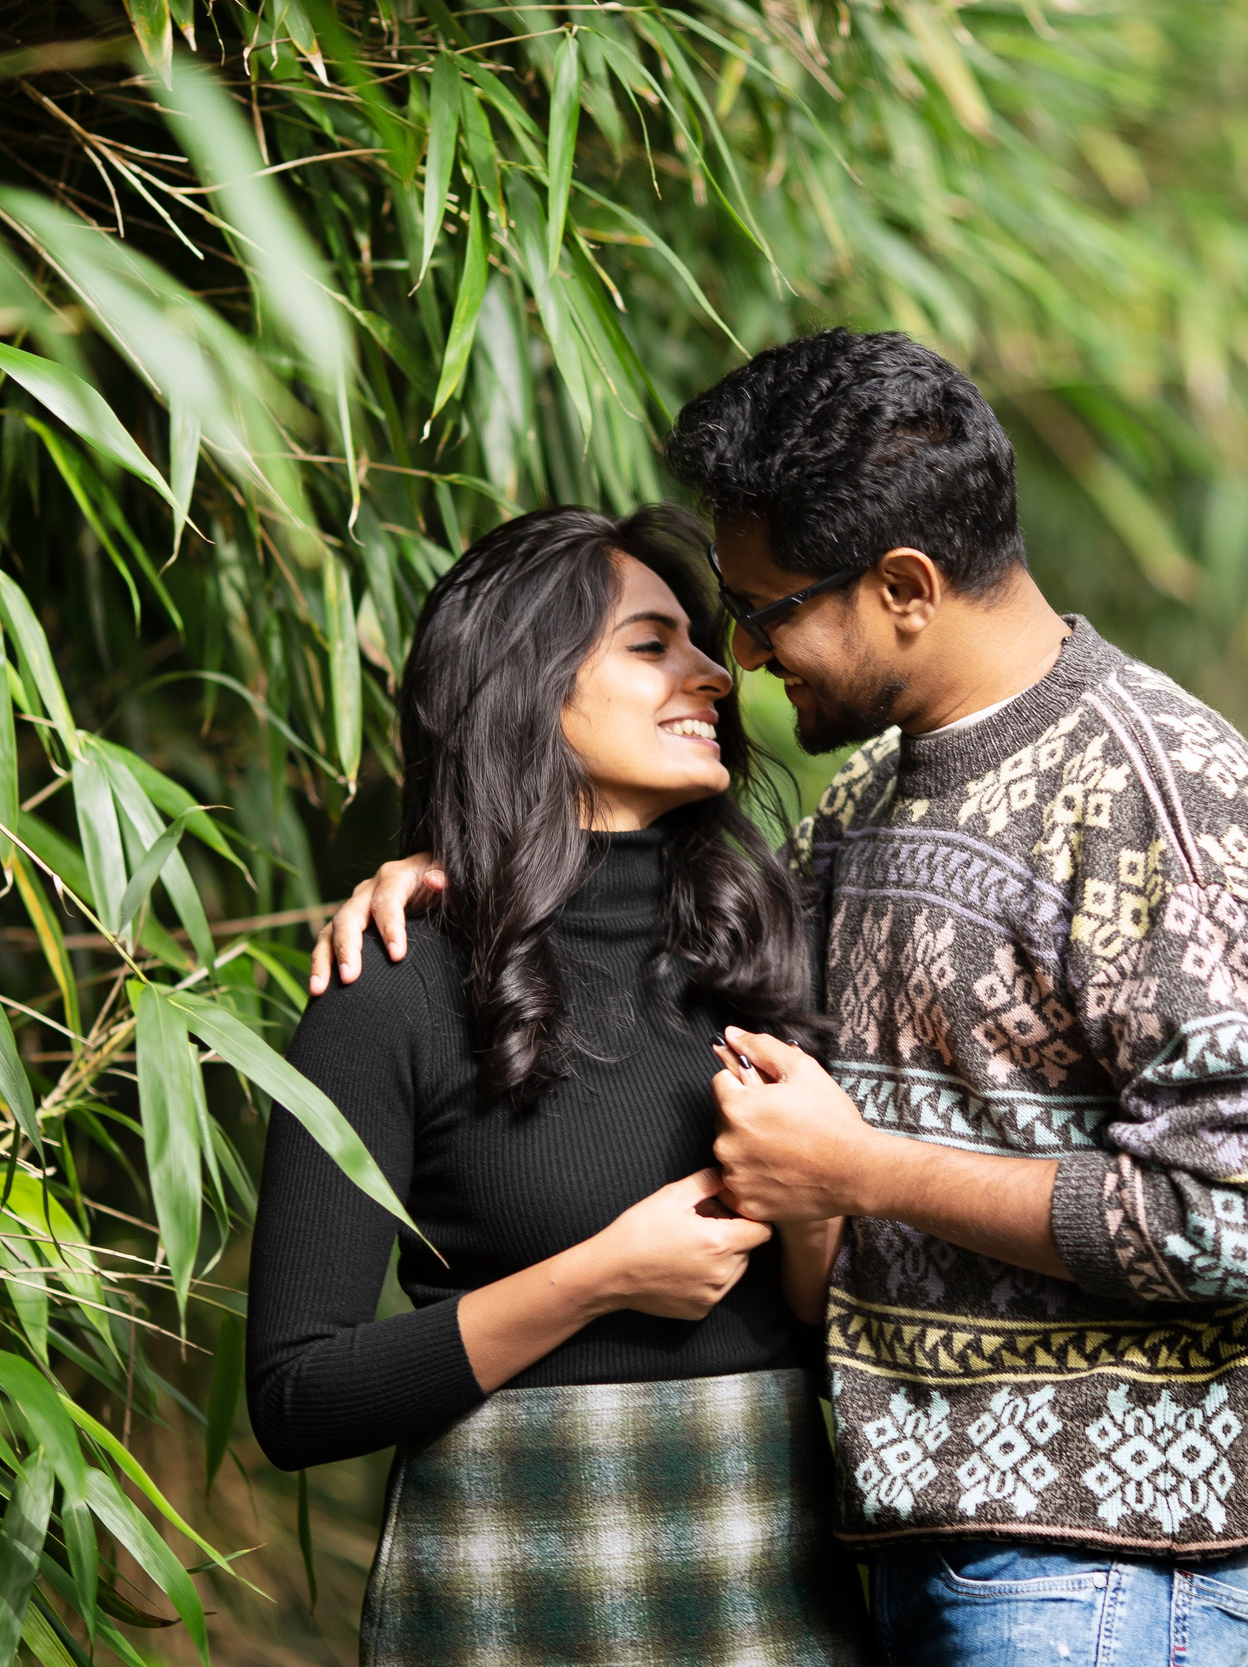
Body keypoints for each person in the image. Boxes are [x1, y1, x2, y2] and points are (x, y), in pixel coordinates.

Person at [311, 330, 1248, 1667]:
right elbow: (626, 912)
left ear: (905, 586)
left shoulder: (1164, 790)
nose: (739, 655)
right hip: (902, 1529)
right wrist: (461, 867)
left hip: (1096, 1540)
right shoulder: (857, 811)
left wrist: (863, 1167)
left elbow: (1243, 1219)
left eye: (766, 608)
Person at [247, 506, 869, 1666]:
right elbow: (297, 1398)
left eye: (702, 641)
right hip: (509, 1587)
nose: (716, 675)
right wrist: (599, 1280)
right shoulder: (387, 989)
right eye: (653, 645)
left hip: (773, 1583)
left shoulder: (767, 955)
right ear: (525, 689)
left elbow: (852, 1346)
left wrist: (818, 1200)